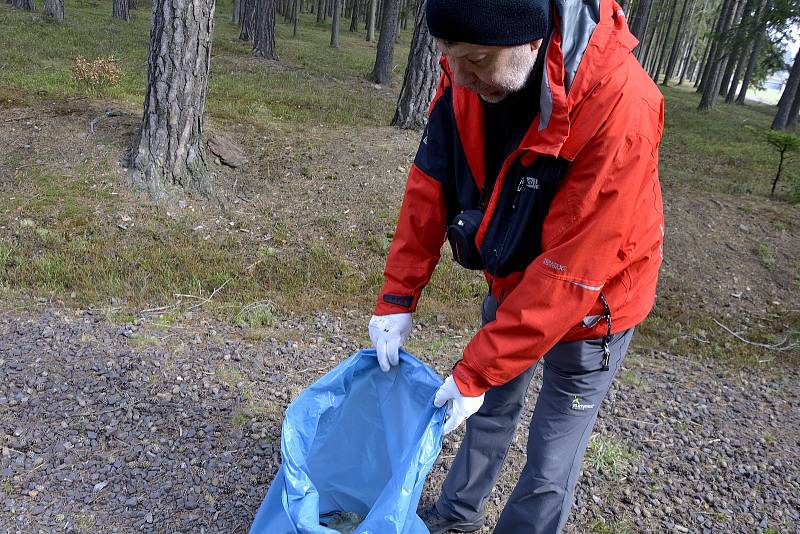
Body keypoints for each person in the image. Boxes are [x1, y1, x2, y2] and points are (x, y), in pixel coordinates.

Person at [368, 0, 665, 532]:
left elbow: (573, 268)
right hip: (516, 281)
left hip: (596, 306)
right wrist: (397, 295)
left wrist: (477, 368)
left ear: (532, 39)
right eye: (448, 56)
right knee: (485, 406)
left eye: (476, 60)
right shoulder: (466, 77)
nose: (458, 75)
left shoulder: (620, 104)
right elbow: (430, 184)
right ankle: (454, 517)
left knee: (551, 457)